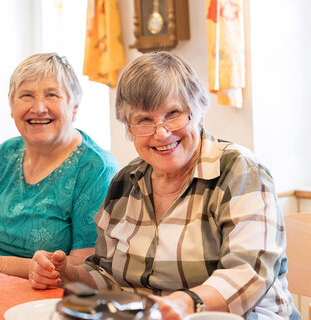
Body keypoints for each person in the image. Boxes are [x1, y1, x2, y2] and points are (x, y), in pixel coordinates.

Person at [29, 52, 299, 320]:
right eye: (144, 120)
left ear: (199, 112)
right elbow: (108, 275)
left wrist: (187, 303)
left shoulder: (239, 171)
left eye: (173, 114)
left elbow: (249, 272)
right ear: (129, 128)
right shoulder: (125, 182)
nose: (161, 132)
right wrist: (67, 275)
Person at [0, 53, 119, 278]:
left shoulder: (96, 169)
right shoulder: (3, 154)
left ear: (74, 108)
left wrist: (1, 263)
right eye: (26, 96)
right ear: (12, 108)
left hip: (49, 298)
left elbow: (85, 265)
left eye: (52, 95)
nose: (39, 108)